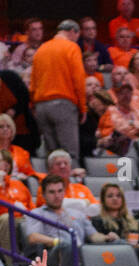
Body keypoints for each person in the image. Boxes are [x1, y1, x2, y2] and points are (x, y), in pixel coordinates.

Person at [30, 20, 86, 162]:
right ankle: (70, 184)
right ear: (73, 31)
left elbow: (33, 81)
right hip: (63, 104)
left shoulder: (41, 49)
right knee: (69, 155)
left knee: (52, 156)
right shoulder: (71, 47)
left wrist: (33, 105)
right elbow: (78, 79)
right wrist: (83, 107)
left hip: (41, 107)